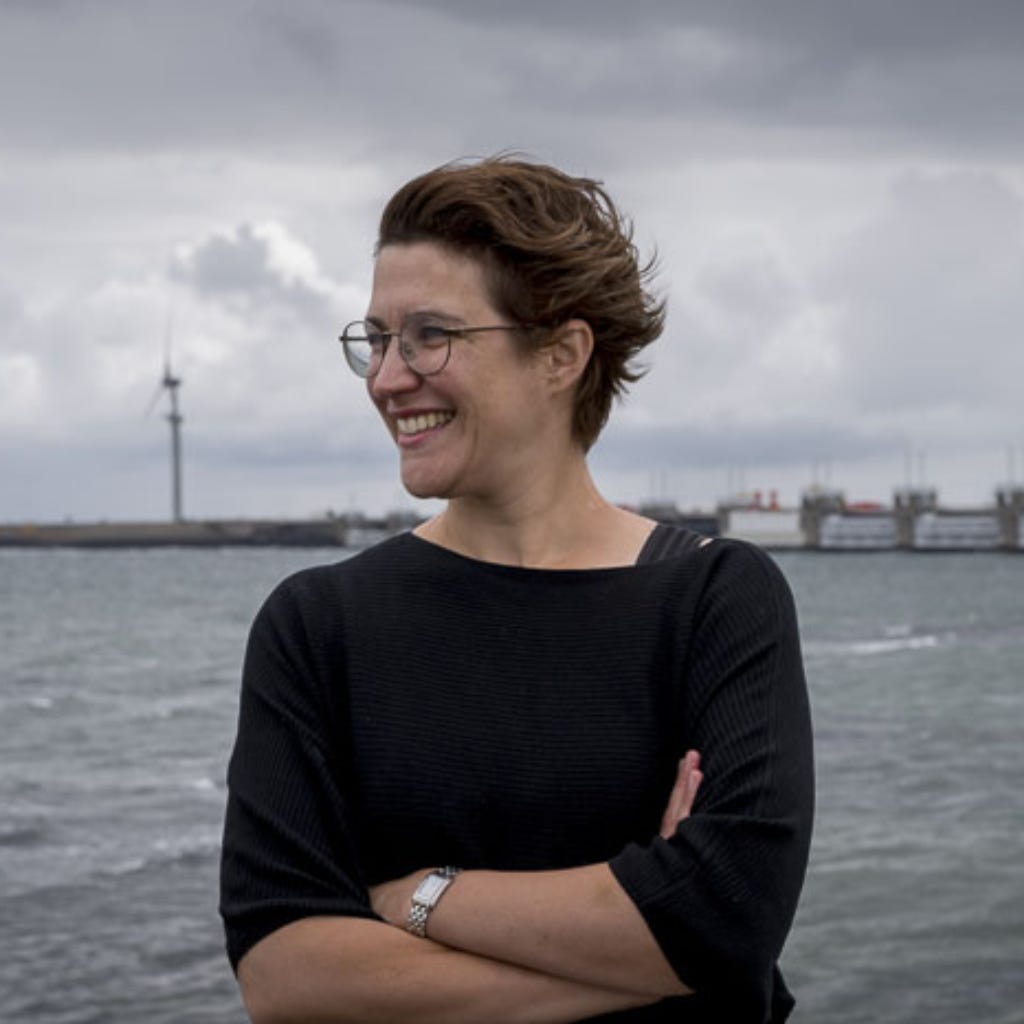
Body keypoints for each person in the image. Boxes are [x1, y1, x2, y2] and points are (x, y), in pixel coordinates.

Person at [219, 156, 814, 1023]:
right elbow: (285, 978)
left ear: (561, 355)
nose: (387, 378)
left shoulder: (714, 597)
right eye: (376, 340)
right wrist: (659, 952)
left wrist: (420, 896)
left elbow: (732, 912)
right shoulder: (317, 625)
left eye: (430, 335)